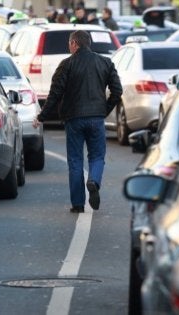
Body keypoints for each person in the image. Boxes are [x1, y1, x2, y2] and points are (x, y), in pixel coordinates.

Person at [32, 31, 122, 213]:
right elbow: (117, 91)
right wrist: (104, 110)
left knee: (75, 160)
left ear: (74, 43)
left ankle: (78, 204)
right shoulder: (105, 62)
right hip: (96, 118)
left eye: (69, 43)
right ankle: (94, 181)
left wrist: (42, 116)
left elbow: (55, 94)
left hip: (73, 119)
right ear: (88, 43)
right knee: (97, 156)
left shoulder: (66, 65)